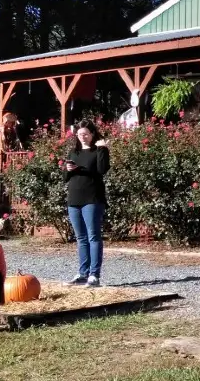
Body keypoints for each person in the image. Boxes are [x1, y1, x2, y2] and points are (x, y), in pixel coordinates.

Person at [63, 119, 110, 287]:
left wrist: (103, 148)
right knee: (80, 237)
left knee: (93, 236)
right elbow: (65, 178)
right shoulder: (73, 152)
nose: (83, 137)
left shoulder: (98, 150)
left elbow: (102, 170)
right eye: (80, 134)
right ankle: (83, 273)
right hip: (74, 199)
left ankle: (94, 275)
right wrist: (68, 170)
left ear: (92, 134)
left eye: (86, 134)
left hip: (92, 198)